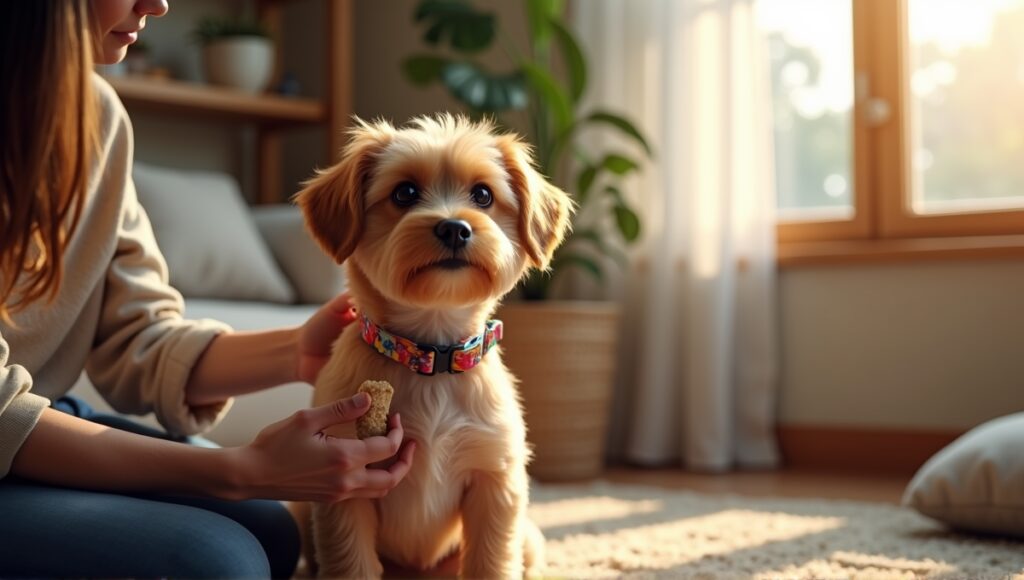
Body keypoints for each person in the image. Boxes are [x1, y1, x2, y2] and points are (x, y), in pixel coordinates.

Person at [0, 1, 417, 578]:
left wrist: (298, 350)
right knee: (216, 563)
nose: (159, 4)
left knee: (270, 530)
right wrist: (239, 469)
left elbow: (136, 332)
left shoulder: (94, 115)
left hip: (31, 420)